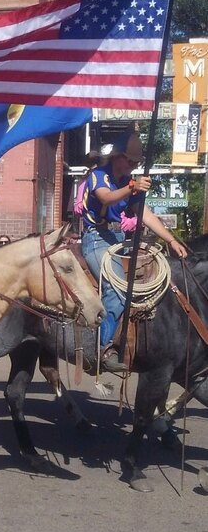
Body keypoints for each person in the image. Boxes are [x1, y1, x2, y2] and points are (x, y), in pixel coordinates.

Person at [80, 130, 187, 372]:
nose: (132, 165)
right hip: (97, 239)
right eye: (129, 160)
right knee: (118, 291)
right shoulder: (98, 176)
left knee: (149, 282)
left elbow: (145, 215)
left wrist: (171, 240)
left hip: (118, 241)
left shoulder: (130, 184)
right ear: (116, 157)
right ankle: (99, 347)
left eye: (135, 162)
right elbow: (106, 198)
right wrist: (132, 186)